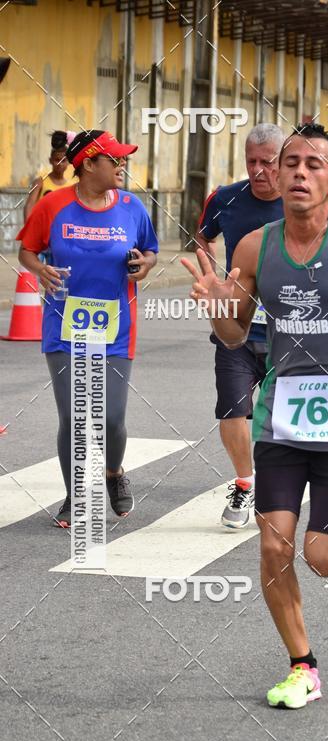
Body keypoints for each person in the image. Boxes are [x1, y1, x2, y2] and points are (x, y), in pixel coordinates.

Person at [183, 123, 328, 709]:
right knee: (273, 548)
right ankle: (302, 666)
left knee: (326, 560)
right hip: (282, 417)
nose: (297, 172)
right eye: (290, 162)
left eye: (313, 165)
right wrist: (216, 307)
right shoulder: (253, 248)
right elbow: (235, 334)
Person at [195, 123, 328, 530]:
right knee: (233, 408)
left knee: (288, 419)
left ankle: (296, 483)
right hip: (240, 327)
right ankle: (245, 482)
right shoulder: (226, 199)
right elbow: (203, 235)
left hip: (296, 332)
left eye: (268, 162)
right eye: (251, 161)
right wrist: (213, 275)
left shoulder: (314, 201)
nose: (258, 170)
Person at [17, 130, 158, 527]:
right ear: (89, 164)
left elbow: (150, 250)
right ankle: (75, 495)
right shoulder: (53, 205)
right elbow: (27, 249)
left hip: (116, 327)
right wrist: (40, 269)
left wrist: (144, 265)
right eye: (115, 159)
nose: (122, 165)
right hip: (64, 325)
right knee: (75, 417)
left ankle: (113, 472)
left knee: (111, 418)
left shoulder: (131, 207)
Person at [23, 130, 78, 223]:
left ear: (68, 162)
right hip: (42, 227)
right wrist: (28, 227)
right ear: (50, 160)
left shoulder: (71, 186)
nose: (60, 164)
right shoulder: (40, 182)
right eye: (57, 160)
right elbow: (29, 205)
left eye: (63, 160)